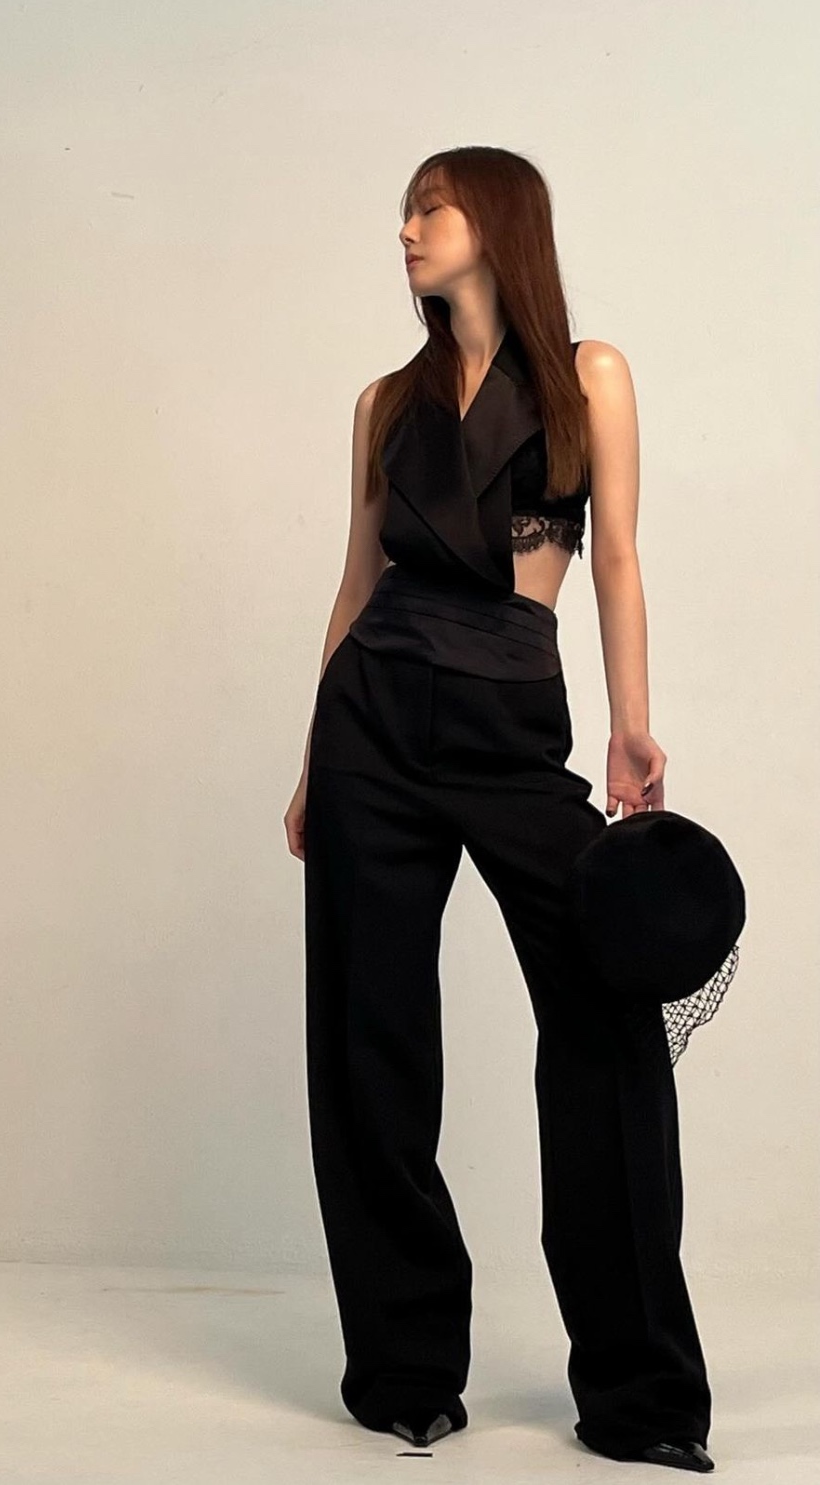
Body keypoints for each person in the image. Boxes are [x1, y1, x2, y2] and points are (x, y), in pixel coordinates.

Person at [283, 147, 715, 1474]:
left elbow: (618, 556)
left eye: (432, 206)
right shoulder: (385, 402)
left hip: (509, 716)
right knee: (367, 1037)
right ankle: (403, 1372)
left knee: (605, 1016)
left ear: (499, 219)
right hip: (371, 721)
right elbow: (356, 583)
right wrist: (313, 758)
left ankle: (640, 1391)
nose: (407, 229)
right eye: (405, 211)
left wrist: (630, 723)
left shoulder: (590, 376)